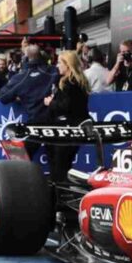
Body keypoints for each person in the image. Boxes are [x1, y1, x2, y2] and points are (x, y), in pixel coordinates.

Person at [43, 50, 91, 181]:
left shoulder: (70, 83)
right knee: (63, 167)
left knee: (59, 169)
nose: (57, 65)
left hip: (66, 131)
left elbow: (67, 106)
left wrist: (51, 102)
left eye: (59, 62)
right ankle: (60, 195)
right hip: (71, 130)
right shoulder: (77, 81)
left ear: (68, 65)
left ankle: (59, 197)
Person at [0, 45, 55, 124]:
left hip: (36, 121)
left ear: (25, 58)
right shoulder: (54, 72)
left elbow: (3, 97)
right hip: (58, 120)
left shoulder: (21, 78)